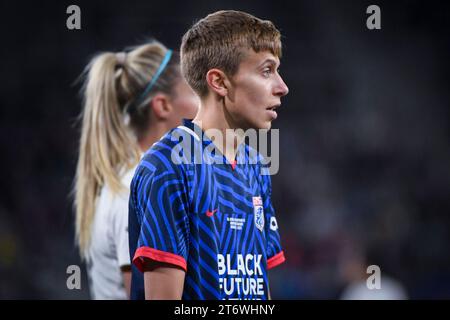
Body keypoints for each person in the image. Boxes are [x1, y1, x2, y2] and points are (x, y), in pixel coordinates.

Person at [128, 10, 289, 300]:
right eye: (267, 71)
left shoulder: (256, 166)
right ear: (220, 82)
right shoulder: (168, 166)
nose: (282, 87)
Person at [73, 40, 199, 299]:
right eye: (196, 92)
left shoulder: (142, 177)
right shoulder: (136, 185)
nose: (206, 103)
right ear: (163, 105)